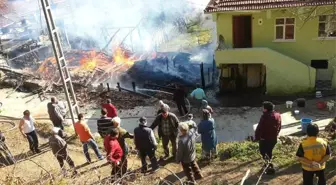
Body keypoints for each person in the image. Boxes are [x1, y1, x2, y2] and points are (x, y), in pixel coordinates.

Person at [255, 101, 281, 171]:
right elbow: (279, 126)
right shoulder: (277, 115)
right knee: (269, 151)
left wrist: (257, 137)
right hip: (273, 138)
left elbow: (259, 128)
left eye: (263, 108)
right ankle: (269, 164)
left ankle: (267, 166)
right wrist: (276, 133)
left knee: (263, 152)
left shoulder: (264, 117)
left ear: (266, 109)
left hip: (264, 139)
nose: (262, 109)